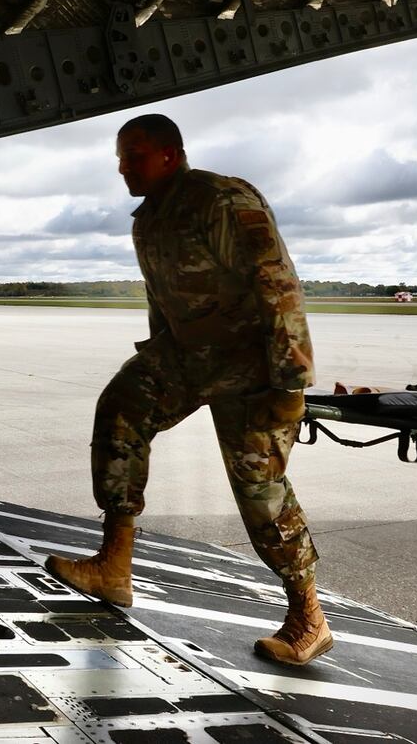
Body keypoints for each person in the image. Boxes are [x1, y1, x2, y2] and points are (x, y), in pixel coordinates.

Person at [45, 114, 330, 665]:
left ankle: (308, 617)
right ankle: (114, 565)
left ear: (171, 154)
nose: (123, 167)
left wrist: (292, 381)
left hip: (252, 362)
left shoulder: (222, 199)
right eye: (121, 157)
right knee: (122, 407)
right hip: (188, 356)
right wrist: (156, 355)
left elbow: (275, 282)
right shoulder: (148, 219)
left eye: (135, 155)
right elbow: (163, 299)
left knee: (259, 489)